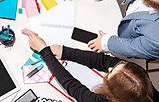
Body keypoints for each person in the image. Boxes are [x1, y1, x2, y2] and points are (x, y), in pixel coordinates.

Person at [28, 33, 158, 102]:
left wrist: (44, 51)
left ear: (112, 95)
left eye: (109, 73)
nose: (110, 67)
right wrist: (65, 52)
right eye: (119, 65)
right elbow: (103, 60)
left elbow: (73, 88)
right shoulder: (135, 74)